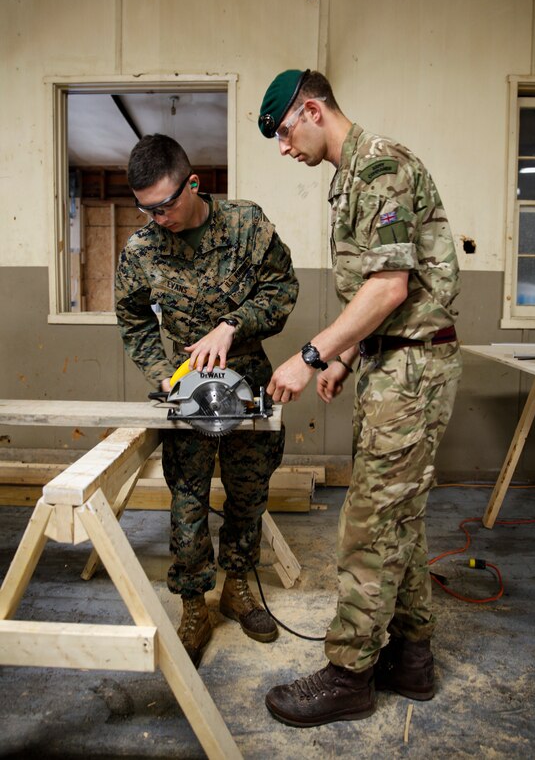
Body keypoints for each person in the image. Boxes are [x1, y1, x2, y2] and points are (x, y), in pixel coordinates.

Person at [257, 69, 462, 727]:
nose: (284, 148)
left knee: (369, 524)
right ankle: (411, 658)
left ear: (312, 110)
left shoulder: (380, 170)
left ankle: (348, 676)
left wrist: (311, 352)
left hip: (411, 371)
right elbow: (374, 297)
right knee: (397, 515)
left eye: (286, 132)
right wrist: (346, 356)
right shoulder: (349, 182)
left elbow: (389, 289)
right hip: (390, 364)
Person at [115, 133, 299, 668]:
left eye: (166, 204)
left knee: (247, 494)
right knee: (188, 502)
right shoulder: (141, 251)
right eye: (145, 208)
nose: (157, 218)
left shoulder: (246, 224)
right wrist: (160, 373)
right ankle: (194, 604)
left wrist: (231, 325)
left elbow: (281, 289)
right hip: (186, 391)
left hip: (247, 380)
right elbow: (131, 318)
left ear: (193, 184)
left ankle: (238, 587)